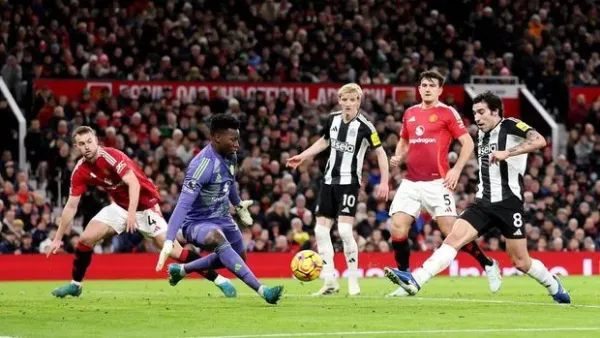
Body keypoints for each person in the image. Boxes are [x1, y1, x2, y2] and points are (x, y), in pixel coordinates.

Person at [384, 91, 571, 304]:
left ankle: (553, 285)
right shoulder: (481, 136)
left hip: (509, 205)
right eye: (475, 113)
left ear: (495, 111)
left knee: (520, 261)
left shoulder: (510, 125)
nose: (477, 118)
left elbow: (539, 141)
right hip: (482, 203)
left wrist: (507, 152)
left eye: (482, 112)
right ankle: (416, 279)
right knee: (454, 238)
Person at [48, 126, 236, 298]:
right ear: (76, 147)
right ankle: (76, 284)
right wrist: (58, 238)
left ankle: (220, 280)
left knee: (173, 250)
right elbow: (71, 206)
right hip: (121, 207)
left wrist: (132, 214)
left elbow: (134, 184)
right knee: (85, 239)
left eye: (89, 141)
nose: (87, 146)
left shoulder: (112, 156)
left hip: (145, 207)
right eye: (82, 144)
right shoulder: (80, 171)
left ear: (96, 140)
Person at [386, 70, 501, 297]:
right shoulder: (409, 113)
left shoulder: (447, 113)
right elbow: (404, 141)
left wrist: (456, 170)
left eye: (432, 85)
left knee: (452, 232)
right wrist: (398, 155)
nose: (427, 88)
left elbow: (467, 143)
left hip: (437, 182)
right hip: (410, 181)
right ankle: (406, 278)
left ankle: (488, 264)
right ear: (419, 89)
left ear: (440, 90)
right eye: (424, 85)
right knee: (397, 228)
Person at [156, 114, 283, 305]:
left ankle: (182, 270)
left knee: (240, 257)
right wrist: (169, 239)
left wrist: (238, 205)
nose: (237, 145)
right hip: (197, 223)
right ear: (216, 137)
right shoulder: (201, 166)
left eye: (237, 140)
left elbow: (229, 183)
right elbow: (183, 204)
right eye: (232, 140)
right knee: (217, 238)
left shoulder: (231, 157)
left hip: (223, 218)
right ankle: (263, 290)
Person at [286, 83, 389, 296]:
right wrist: (303, 155)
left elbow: (380, 153)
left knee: (343, 230)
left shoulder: (365, 126)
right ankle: (330, 280)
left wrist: (385, 181)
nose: (349, 104)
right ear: (340, 100)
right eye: (346, 100)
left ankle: (353, 281)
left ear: (359, 102)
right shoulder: (332, 119)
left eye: (353, 100)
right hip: (328, 181)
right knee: (320, 231)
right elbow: (324, 141)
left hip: (349, 182)